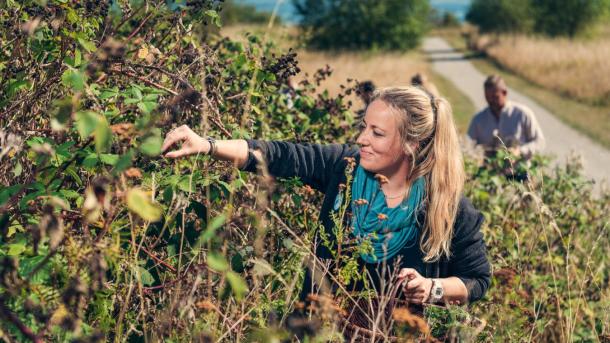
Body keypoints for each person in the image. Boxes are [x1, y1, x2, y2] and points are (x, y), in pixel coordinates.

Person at [162, 86, 490, 307]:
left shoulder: (448, 208)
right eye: (365, 127)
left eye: (377, 133)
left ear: (411, 145)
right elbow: (278, 155)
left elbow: (477, 280)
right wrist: (208, 145)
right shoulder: (344, 168)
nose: (362, 139)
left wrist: (433, 288)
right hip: (320, 328)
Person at [467, 75, 545, 159]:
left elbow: (540, 142)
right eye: (487, 97)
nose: (490, 101)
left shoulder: (522, 114)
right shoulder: (478, 120)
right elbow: (468, 146)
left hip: (521, 169)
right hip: (489, 170)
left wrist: (520, 151)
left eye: (494, 97)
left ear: (504, 93)